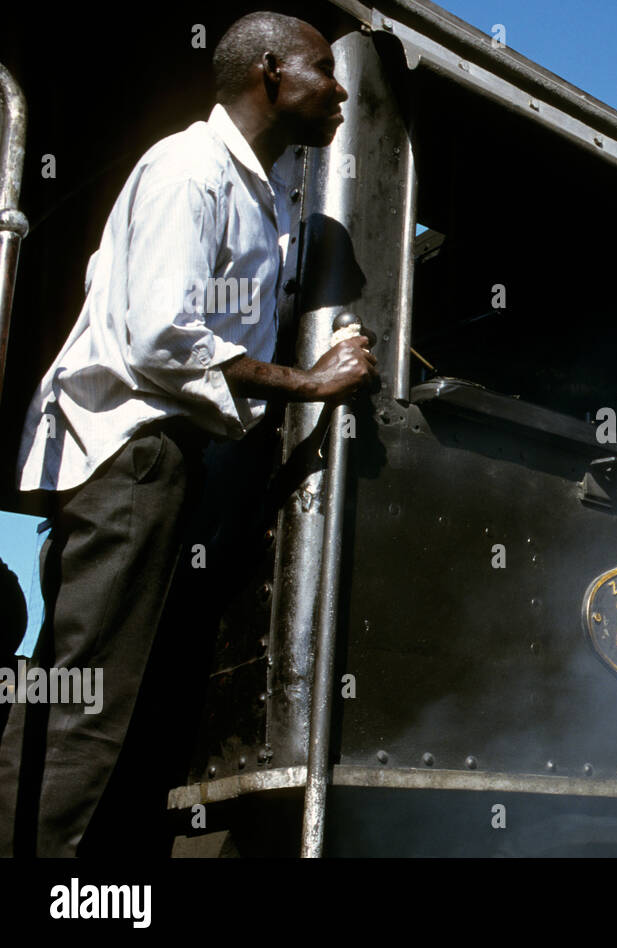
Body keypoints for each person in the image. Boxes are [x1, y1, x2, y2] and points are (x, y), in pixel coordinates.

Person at [0, 11, 378, 857]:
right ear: (271, 74)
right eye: (324, 69)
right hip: (134, 453)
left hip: (173, 460)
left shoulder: (267, 193)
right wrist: (309, 383)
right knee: (85, 705)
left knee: (121, 702)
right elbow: (162, 336)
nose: (340, 87)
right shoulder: (188, 171)